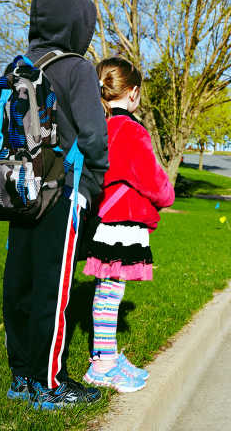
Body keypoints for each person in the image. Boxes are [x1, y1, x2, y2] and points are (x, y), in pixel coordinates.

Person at [4, 0, 109, 409]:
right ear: (76, 23)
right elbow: (95, 137)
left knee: (20, 282)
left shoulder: (20, 65)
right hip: (62, 193)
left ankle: (22, 377)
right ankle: (51, 385)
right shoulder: (76, 68)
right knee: (55, 287)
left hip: (19, 191)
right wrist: (93, 186)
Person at [81, 57, 174, 392]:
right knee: (110, 292)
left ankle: (107, 355)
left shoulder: (98, 126)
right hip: (122, 221)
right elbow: (151, 179)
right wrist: (167, 195)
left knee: (108, 289)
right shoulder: (132, 130)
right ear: (133, 93)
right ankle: (103, 365)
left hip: (104, 216)